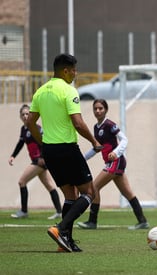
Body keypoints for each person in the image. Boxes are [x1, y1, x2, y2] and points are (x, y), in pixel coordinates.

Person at [27, 53, 103, 253]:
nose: (75, 74)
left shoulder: (40, 91)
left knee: (71, 195)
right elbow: (78, 123)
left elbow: (30, 122)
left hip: (50, 152)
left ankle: (65, 242)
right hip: (67, 148)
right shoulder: (69, 91)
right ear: (65, 70)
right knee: (89, 192)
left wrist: (42, 142)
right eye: (73, 70)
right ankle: (60, 228)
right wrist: (94, 141)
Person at [77, 99, 149, 230]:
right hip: (113, 163)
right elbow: (97, 148)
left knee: (94, 187)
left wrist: (116, 152)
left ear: (106, 110)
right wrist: (82, 158)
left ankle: (92, 221)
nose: (98, 111)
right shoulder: (96, 127)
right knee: (127, 193)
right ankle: (142, 221)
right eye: (95, 109)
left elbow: (124, 140)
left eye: (101, 108)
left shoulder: (110, 125)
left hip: (116, 161)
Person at [8, 104, 62, 220]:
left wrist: (43, 157)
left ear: (31, 115)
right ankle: (59, 211)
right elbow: (20, 143)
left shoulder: (36, 128)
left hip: (39, 161)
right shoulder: (24, 129)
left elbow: (45, 142)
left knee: (22, 181)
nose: (25, 116)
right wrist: (13, 156)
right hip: (37, 161)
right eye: (23, 114)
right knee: (50, 185)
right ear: (20, 117)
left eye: (27, 114)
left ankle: (24, 211)